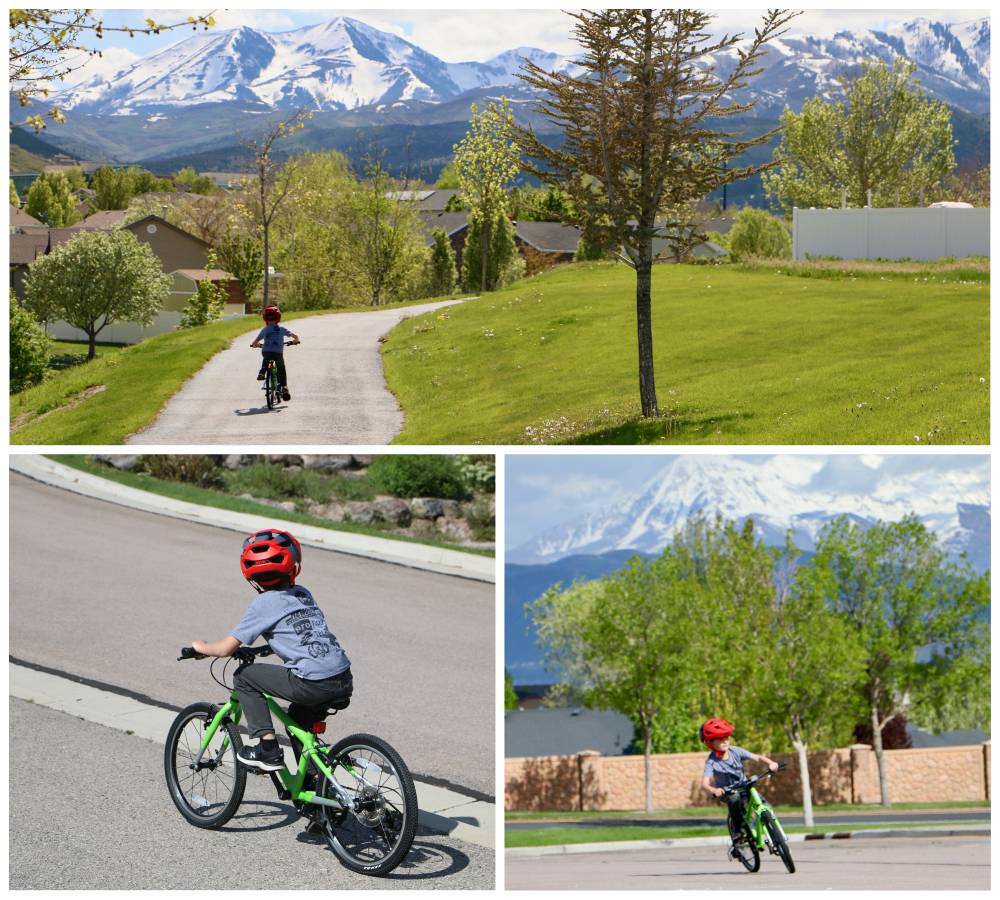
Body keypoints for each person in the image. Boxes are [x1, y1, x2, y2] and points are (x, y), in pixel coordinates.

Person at [190, 528, 353, 781]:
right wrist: (267, 648)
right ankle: (317, 793)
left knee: (245, 676)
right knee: (298, 718)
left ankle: (268, 751)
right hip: (342, 678)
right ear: (294, 567)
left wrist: (200, 646)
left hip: (312, 683)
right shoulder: (303, 594)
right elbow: (299, 634)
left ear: (249, 575)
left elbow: (224, 649)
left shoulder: (263, 604)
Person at [699, 718, 779, 844]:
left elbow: (757, 757)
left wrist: (771, 763)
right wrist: (715, 790)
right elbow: (704, 783)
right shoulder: (711, 761)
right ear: (710, 742)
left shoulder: (735, 751)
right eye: (720, 739)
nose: (725, 741)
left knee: (765, 805)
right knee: (734, 797)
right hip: (727, 792)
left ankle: (774, 833)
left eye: (726, 737)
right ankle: (737, 832)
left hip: (744, 786)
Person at [251, 305, 299, 401]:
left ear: (265, 319)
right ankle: (284, 388)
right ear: (278, 318)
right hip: (277, 353)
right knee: (281, 368)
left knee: (267, 359)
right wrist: (296, 340)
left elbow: (256, 341)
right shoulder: (281, 329)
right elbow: (294, 336)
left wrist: (255, 344)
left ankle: (262, 371)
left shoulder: (265, 330)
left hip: (266, 351)